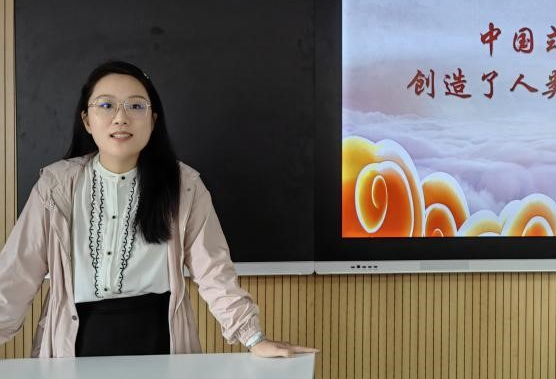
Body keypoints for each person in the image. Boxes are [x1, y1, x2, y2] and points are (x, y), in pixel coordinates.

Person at [0, 60, 318, 358]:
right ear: (86, 120)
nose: (121, 118)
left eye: (136, 106)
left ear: (153, 120)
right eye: (106, 105)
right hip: (74, 341)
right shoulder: (55, 186)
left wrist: (253, 338)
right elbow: (17, 272)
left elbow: (213, 270)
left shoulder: (184, 185)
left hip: (159, 341)